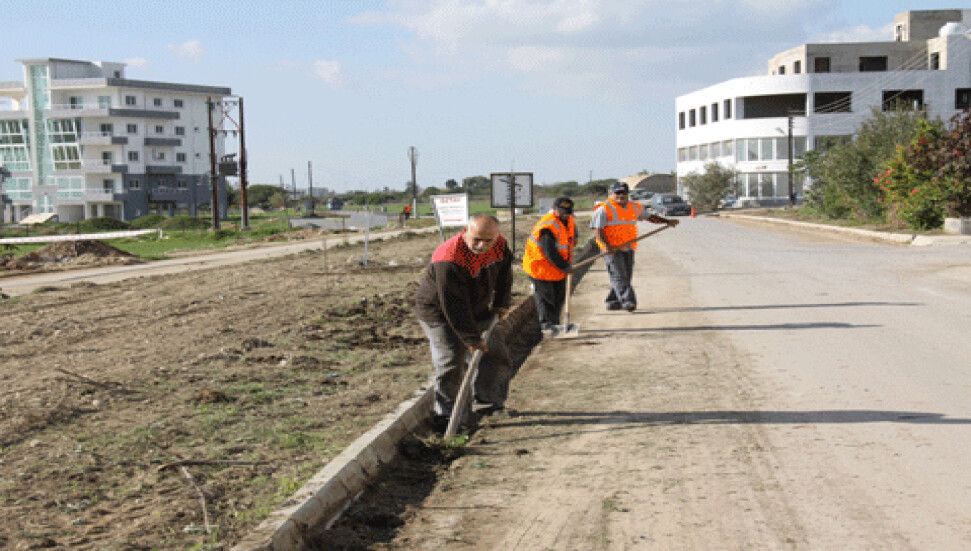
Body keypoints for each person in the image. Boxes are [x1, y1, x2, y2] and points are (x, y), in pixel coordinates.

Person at [415, 214, 514, 432]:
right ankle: (448, 417)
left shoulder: (499, 246)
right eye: (477, 239)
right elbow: (453, 305)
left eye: (488, 240)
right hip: (439, 312)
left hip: (477, 307)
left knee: (495, 355)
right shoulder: (448, 259)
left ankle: (488, 404)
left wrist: (501, 302)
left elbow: (505, 274)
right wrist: (471, 339)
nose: (482, 245)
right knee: (451, 361)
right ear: (464, 231)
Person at [590, 182, 677, 312]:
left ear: (628, 194)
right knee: (619, 275)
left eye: (624, 193)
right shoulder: (604, 208)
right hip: (612, 248)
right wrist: (606, 246)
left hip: (628, 246)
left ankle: (613, 301)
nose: (621, 196)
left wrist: (667, 222)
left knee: (625, 275)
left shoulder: (635, 207)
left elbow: (649, 217)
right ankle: (628, 301)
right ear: (611, 194)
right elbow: (597, 230)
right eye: (617, 193)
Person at [523, 197, 577, 337]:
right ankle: (547, 325)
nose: (565, 214)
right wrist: (564, 266)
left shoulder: (569, 220)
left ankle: (555, 324)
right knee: (546, 297)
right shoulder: (548, 226)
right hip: (540, 266)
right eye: (562, 212)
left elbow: (571, 237)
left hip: (556, 267)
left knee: (559, 296)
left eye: (568, 212)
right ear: (554, 209)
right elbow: (549, 251)